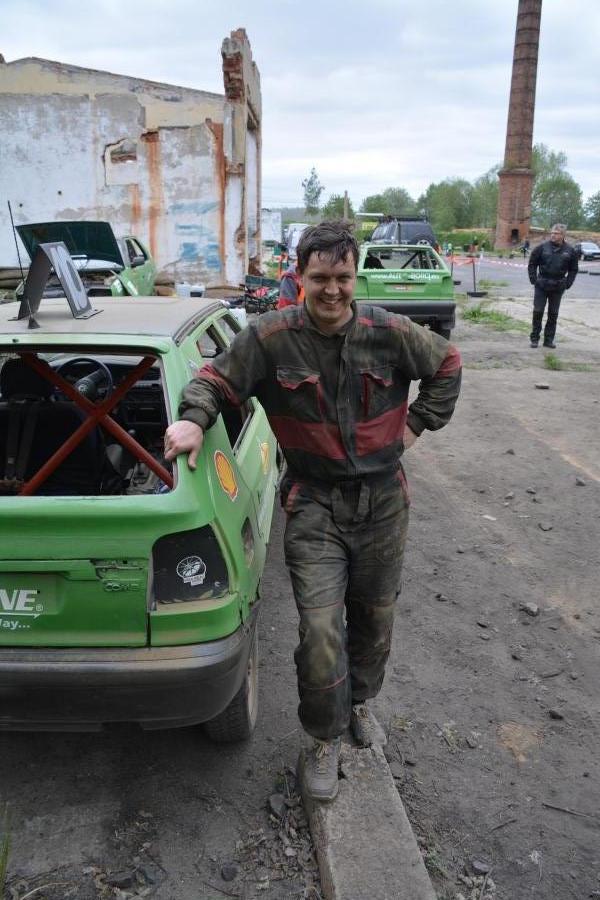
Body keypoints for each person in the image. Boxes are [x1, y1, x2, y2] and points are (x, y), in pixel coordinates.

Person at [163, 222, 462, 802]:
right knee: (321, 631)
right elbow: (214, 380)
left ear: (356, 276)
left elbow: (447, 363)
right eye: (320, 277)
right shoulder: (271, 338)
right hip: (314, 503)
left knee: (374, 619)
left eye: (343, 277)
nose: (332, 290)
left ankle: (360, 703)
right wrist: (193, 420)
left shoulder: (389, 332)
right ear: (299, 276)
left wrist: (417, 425)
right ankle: (323, 738)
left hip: (383, 502)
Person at [527, 224, 578, 349]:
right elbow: (532, 263)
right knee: (538, 311)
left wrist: (568, 283)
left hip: (558, 286)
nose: (553, 235)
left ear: (563, 235)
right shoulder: (542, 247)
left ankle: (548, 340)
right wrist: (534, 280)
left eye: (556, 233)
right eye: (552, 233)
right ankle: (534, 338)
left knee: (553, 314)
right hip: (542, 284)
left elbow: (573, 269)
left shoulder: (570, 251)